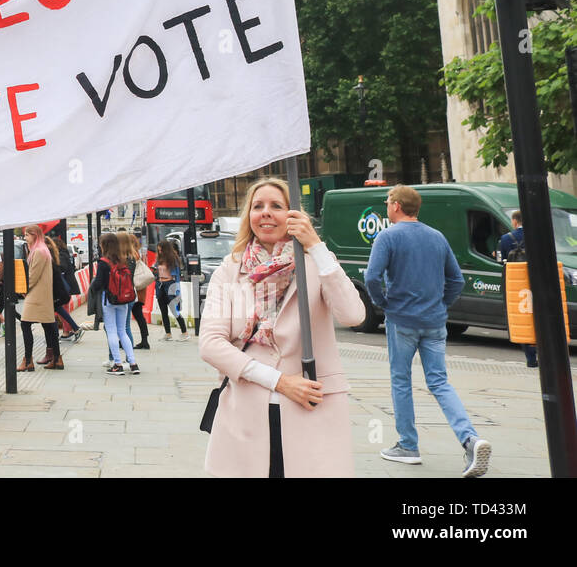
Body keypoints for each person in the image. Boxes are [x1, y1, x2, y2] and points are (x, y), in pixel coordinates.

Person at [200, 177, 365, 477]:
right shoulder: (230, 269)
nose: (265, 212)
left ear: (294, 215)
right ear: (248, 216)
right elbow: (211, 343)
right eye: (257, 206)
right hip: (246, 414)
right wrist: (279, 381)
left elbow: (353, 315)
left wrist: (315, 246)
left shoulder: (316, 264)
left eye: (276, 206)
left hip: (313, 413)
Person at [365, 184, 492, 477]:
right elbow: (457, 281)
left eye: (388, 201)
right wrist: (440, 305)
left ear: (396, 205)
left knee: (401, 380)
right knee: (439, 382)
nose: (387, 206)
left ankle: (408, 446)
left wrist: (383, 304)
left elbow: (372, 277)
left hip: (402, 320)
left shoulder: (387, 236)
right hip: (435, 322)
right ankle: (470, 439)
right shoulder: (437, 237)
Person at [91, 232, 138, 375]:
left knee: (111, 331)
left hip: (109, 300)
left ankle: (117, 364)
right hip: (124, 299)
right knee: (122, 331)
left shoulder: (104, 262)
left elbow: (98, 283)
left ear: (104, 245)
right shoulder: (123, 260)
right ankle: (133, 363)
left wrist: (92, 289)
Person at [17, 224, 61, 371]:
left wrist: (24, 289)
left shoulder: (39, 252)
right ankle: (57, 358)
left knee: (25, 324)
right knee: (49, 325)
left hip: (36, 295)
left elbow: (33, 276)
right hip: (42, 294)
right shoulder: (42, 250)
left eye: (27, 235)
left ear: (34, 235)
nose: (25, 238)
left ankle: (28, 360)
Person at [496, 210, 536, 368]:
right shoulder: (536, 236)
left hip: (516, 284)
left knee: (522, 319)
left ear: (514, 221)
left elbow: (500, 259)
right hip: (535, 280)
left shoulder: (506, 239)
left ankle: (530, 358)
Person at [48, 235, 83, 343]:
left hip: (64, 287)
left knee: (61, 309)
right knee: (60, 310)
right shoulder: (63, 253)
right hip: (64, 286)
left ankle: (67, 331)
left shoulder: (61, 255)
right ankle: (69, 330)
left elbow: (61, 268)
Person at [156, 238, 188, 340]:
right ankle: (168, 333)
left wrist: (177, 290)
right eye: (158, 250)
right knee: (163, 311)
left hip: (170, 285)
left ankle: (185, 332)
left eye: (161, 250)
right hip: (160, 285)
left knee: (174, 310)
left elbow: (177, 276)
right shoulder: (159, 259)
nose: (160, 252)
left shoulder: (173, 259)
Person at [124, 232, 150, 350]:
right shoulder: (136, 252)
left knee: (135, 316)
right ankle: (144, 340)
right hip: (139, 289)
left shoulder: (131, 254)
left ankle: (143, 341)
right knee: (138, 315)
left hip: (135, 290)